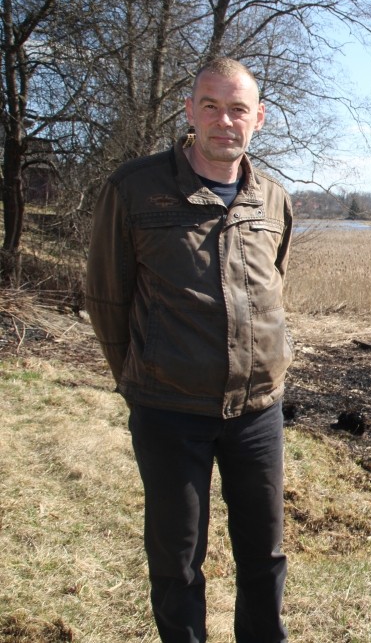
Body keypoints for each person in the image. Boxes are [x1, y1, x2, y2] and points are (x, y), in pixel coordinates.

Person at [86, 57, 293, 643]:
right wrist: (142, 375)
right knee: (177, 561)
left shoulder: (272, 199)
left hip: (257, 412)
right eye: (210, 106)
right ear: (190, 112)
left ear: (258, 118)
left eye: (237, 109)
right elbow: (107, 297)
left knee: (266, 557)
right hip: (170, 410)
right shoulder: (137, 189)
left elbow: (274, 287)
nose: (224, 121)